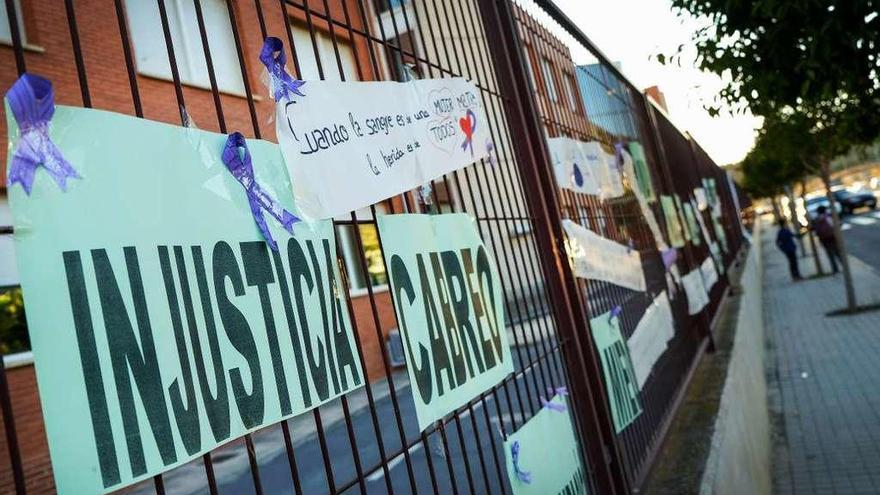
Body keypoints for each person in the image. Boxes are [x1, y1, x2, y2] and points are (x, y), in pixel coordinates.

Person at [813, 205, 842, 273]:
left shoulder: (817, 219)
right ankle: (843, 264)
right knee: (837, 252)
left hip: (823, 239)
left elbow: (815, 230)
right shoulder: (828, 216)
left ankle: (835, 269)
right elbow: (835, 225)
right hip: (832, 237)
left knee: (830, 254)